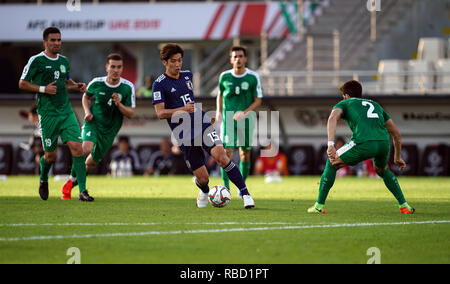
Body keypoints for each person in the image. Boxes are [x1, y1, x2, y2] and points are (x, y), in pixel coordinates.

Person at [152, 43, 255, 208]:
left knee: (222, 157)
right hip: (184, 133)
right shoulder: (159, 84)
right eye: (173, 61)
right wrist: (182, 110)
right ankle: (204, 190)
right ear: (164, 62)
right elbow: (160, 113)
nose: (178, 64)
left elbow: (191, 102)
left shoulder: (187, 76)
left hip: (202, 125)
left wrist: (203, 116)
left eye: (180, 60)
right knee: (203, 178)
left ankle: (246, 195)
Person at [307, 80, 415, 214]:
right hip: (383, 144)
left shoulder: (345, 103)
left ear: (346, 95)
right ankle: (404, 205)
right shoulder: (376, 105)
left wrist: (330, 144)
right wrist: (397, 157)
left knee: (332, 161)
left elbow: (332, 118)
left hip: (363, 142)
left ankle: (319, 206)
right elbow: (397, 135)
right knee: (382, 170)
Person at [18, 27, 93, 201]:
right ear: (45, 42)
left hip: (66, 111)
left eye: (59, 40)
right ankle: (43, 178)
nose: (56, 43)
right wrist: (43, 89)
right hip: (48, 114)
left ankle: (82, 191)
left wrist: (75, 86)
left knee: (78, 149)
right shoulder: (36, 60)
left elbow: (64, 82)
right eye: (53, 40)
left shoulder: (64, 61)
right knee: (51, 156)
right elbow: (22, 83)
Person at [61, 53, 135, 196]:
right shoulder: (97, 82)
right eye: (112, 66)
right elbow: (86, 96)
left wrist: (119, 104)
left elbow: (131, 113)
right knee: (85, 149)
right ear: (107, 67)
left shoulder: (127, 87)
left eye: (119, 67)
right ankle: (77, 185)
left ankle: (72, 182)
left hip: (110, 130)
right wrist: (87, 111)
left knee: (91, 163)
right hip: (93, 122)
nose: (115, 70)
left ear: (122, 69)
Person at [216, 46, 262, 194]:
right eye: (235, 56)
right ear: (231, 60)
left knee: (244, 154)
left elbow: (258, 100)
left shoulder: (253, 77)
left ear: (246, 59)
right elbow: (220, 94)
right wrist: (218, 112)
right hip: (228, 118)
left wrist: (244, 112)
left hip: (246, 120)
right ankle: (225, 187)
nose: (238, 59)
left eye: (241, 56)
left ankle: (242, 187)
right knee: (226, 152)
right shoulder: (224, 77)